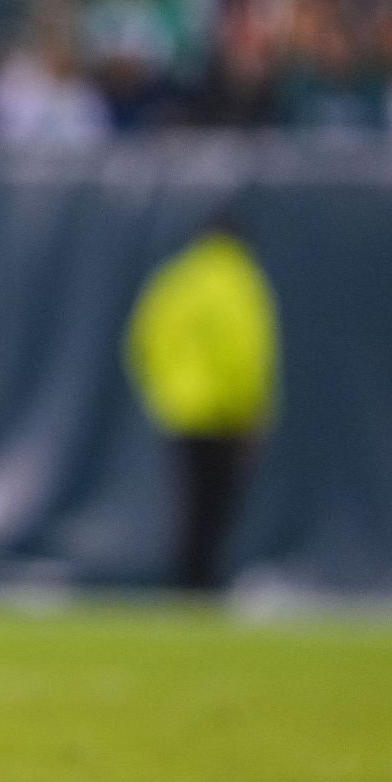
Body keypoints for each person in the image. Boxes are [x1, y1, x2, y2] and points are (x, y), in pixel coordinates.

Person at [123, 219, 278, 590]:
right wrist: (251, 409)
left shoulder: (178, 278)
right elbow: (247, 351)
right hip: (225, 415)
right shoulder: (239, 280)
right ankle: (202, 585)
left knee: (188, 503)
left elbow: (144, 338)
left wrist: (164, 391)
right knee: (217, 506)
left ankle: (186, 582)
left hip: (180, 411)